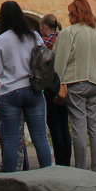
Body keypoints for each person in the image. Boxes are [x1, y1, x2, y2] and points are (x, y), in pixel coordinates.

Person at [0, 0, 53, 172]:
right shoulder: (34, 36)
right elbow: (44, 60)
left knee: (10, 138)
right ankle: (48, 173)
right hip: (33, 88)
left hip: (10, 91)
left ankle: (11, 176)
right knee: (40, 136)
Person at [53, 0, 96, 172]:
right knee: (95, 125)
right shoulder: (95, 33)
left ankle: (82, 169)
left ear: (73, 14)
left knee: (79, 125)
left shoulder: (68, 33)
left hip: (76, 81)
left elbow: (59, 62)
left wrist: (58, 83)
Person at [39, 13, 71, 167]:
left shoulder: (44, 42)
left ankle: (60, 160)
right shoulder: (64, 38)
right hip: (65, 84)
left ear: (45, 27)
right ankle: (67, 158)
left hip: (50, 86)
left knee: (54, 124)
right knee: (64, 124)